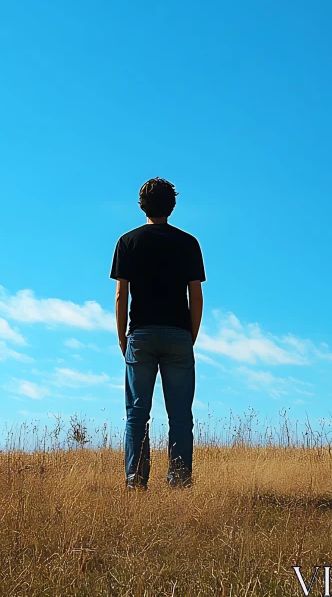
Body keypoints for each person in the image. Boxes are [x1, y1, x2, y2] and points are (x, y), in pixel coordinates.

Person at [110, 177, 206, 490]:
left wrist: (123, 337)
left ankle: (135, 481)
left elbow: (121, 295)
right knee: (180, 415)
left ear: (142, 206)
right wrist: (190, 335)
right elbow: (196, 295)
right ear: (172, 206)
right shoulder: (188, 243)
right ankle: (179, 481)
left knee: (137, 413)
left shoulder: (128, 241)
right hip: (178, 333)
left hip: (142, 333)